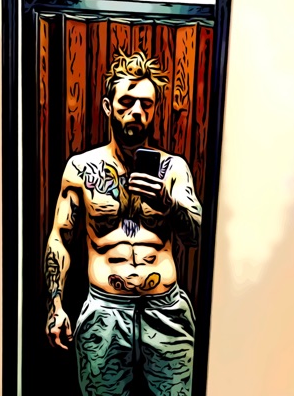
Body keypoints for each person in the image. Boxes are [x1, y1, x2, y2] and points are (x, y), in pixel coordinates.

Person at [44, 48, 202, 396]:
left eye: (146, 104)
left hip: (166, 311)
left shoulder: (174, 169)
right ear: (107, 106)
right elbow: (60, 238)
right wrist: (55, 306)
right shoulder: (81, 168)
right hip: (105, 313)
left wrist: (168, 203)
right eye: (127, 102)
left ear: (155, 110)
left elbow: (196, 237)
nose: (137, 112)